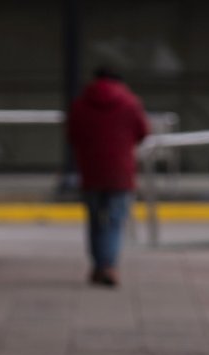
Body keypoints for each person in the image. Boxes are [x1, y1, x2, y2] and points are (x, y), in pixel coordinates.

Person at [67, 66, 150, 287]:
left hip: (91, 171)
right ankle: (109, 266)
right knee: (114, 221)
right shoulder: (131, 103)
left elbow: (72, 135)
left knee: (94, 221)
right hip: (121, 173)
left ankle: (98, 265)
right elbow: (143, 132)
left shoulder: (80, 104)